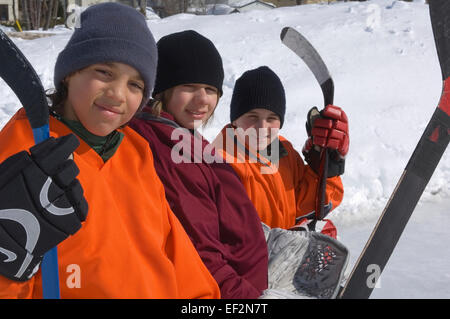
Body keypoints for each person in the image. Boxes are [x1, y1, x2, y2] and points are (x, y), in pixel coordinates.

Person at [0, 3, 220, 298]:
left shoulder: (135, 152)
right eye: (104, 72)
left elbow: (179, 258)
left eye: (134, 84)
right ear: (69, 73)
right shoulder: (24, 152)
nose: (117, 94)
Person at [129, 30, 268, 299]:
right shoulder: (165, 151)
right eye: (189, 87)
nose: (203, 99)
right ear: (162, 91)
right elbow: (199, 254)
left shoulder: (179, 137)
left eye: (211, 89)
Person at [212, 66, 348, 231]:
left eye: (272, 118)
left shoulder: (282, 151)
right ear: (235, 120)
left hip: (281, 253)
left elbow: (304, 207)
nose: (262, 127)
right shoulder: (221, 162)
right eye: (252, 117)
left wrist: (325, 166)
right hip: (249, 254)